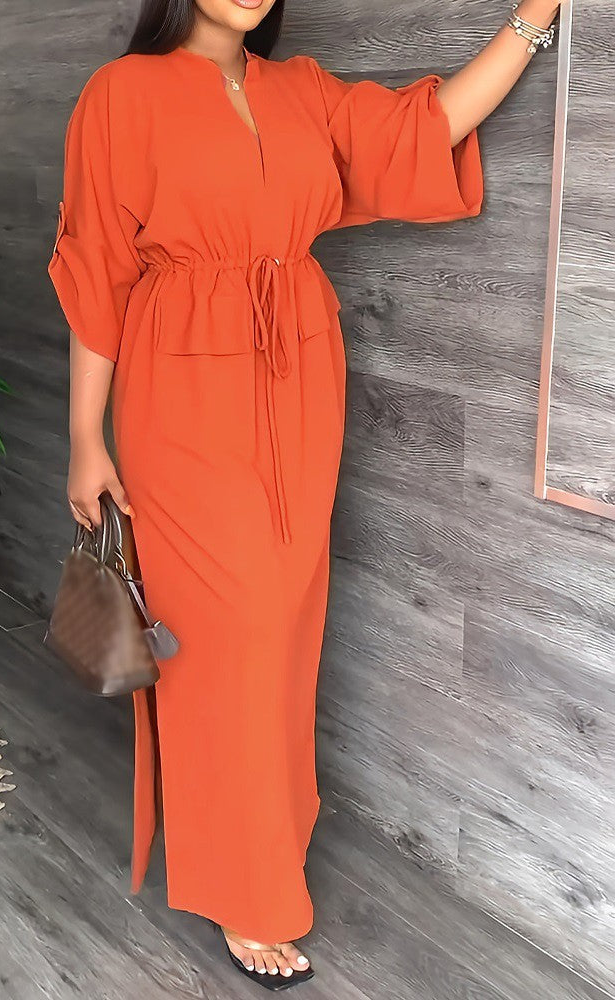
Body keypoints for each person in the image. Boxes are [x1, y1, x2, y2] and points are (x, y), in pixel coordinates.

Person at [48, 0, 563, 987]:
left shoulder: (302, 91)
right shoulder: (122, 94)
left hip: (297, 376)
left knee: (284, 626)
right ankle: (245, 884)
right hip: (180, 390)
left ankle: (266, 839)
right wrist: (84, 438)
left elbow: (426, 127)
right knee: (226, 633)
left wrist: (532, 17)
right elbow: (97, 271)